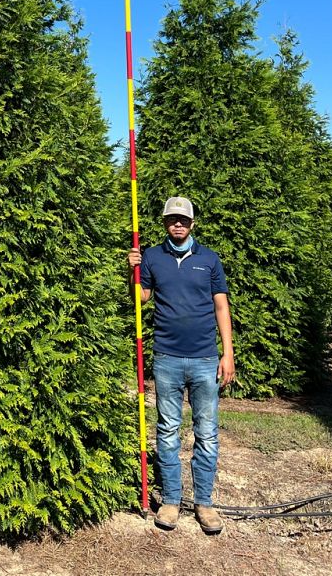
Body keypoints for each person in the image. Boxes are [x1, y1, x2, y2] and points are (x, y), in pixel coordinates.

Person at [128, 196, 235, 535]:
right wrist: (131, 269)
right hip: (167, 358)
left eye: (183, 219)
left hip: (205, 359)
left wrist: (227, 353)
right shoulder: (152, 257)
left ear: (192, 223)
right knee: (168, 431)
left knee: (206, 434)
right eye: (172, 219)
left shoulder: (210, 260)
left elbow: (221, 307)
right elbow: (141, 297)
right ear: (165, 222)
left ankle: (204, 503)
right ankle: (172, 500)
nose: (178, 224)